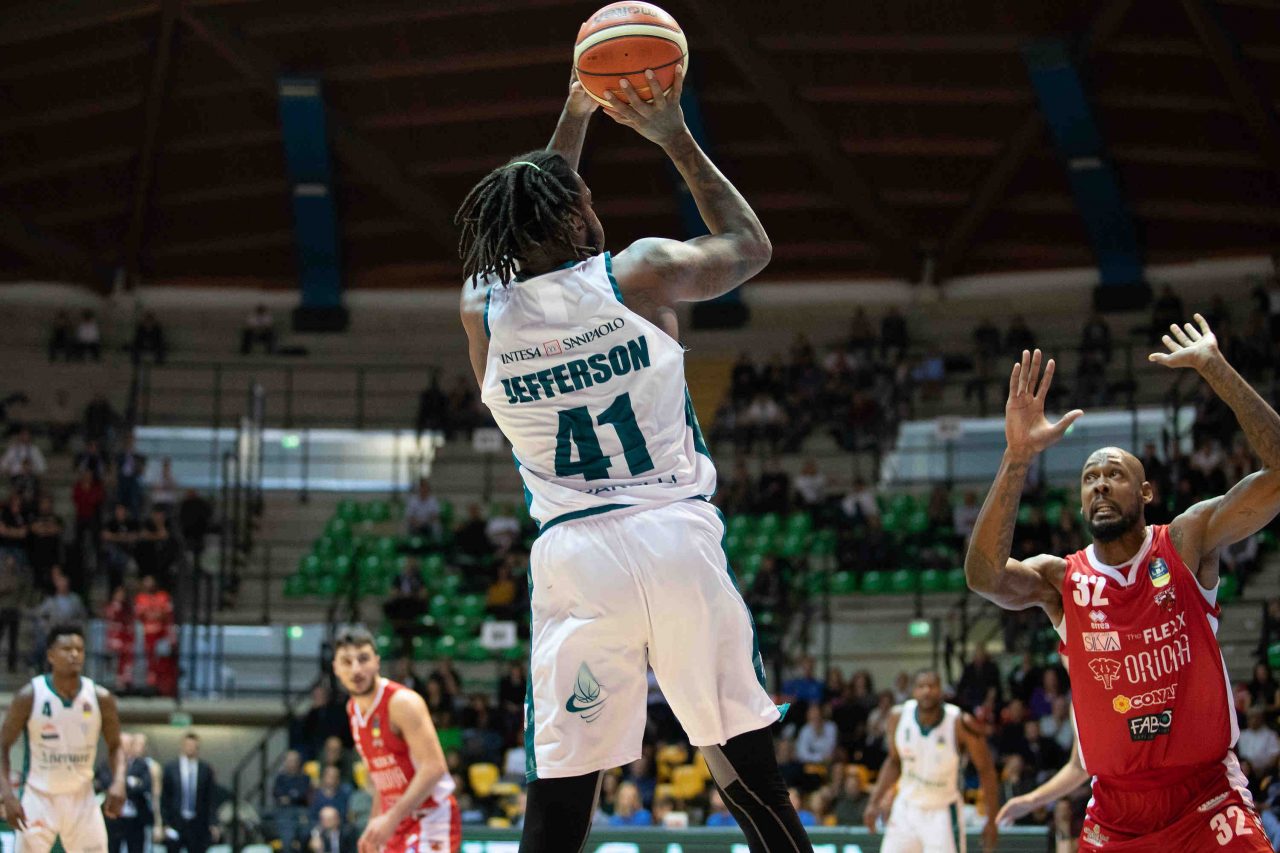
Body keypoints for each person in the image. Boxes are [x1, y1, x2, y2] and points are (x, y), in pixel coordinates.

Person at [456, 67, 810, 853]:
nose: (593, 203)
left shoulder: (481, 309)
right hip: (672, 532)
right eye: (582, 200)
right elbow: (750, 246)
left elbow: (535, 211)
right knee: (742, 764)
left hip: (576, 554)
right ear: (578, 215)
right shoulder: (637, 274)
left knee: (560, 789)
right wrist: (675, 136)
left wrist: (573, 113)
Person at [964, 315, 1280, 851]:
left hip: (1206, 799)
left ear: (1146, 491)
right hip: (1115, 812)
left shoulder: (1185, 540)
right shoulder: (1061, 578)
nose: (1101, 485)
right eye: (1090, 478)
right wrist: (1017, 457)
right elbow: (984, 577)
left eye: (1114, 474)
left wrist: (1215, 368)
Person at [0, 623, 127, 853]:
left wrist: (119, 781)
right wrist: (6, 793)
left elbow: (115, 745)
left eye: (79, 649)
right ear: (50, 656)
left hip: (82, 797)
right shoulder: (30, 695)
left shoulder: (101, 698)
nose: (74, 654)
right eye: (67, 649)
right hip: (39, 796)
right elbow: (2, 746)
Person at [331, 625, 459, 853]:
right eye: (347, 662)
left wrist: (390, 819)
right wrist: (374, 824)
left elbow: (435, 767)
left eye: (363, 659)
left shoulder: (401, 702)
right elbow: (383, 782)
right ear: (336, 668)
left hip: (430, 816)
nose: (356, 669)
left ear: (377, 662)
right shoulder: (353, 711)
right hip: (395, 820)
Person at [864, 670, 1000, 853]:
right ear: (913, 691)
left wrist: (992, 820)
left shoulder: (959, 722)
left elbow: (986, 770)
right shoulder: (898, 717)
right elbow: (894, 762)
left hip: (942, 812)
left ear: (941, 690)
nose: (927, 691)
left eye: (932, 686)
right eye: (921, 686)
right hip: (906, 808)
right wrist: (874, 802)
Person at [161, 733, 217, 853]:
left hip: (197, 822)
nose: (190, 748)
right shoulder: (171, 768)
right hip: (176, 821)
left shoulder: (205, 769)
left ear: (198, 747)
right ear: (182, 746)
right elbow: (165, 797)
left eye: (193, 745)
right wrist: (165, 823)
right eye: (188, 745)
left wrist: (213, 823)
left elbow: (210, 798)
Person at [116, 732, 156, 853]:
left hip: (136, 817)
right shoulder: (111, 762)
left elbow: (145, 786)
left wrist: (124, 785)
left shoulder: (143, 765)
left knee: (137, 847)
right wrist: (130, 782)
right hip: (116, 817)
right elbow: (107, 784)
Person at [274, 750, 312, 852]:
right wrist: (294, 795)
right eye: (289, 760)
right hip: (284, 811)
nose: (292, 763)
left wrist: (290, 797)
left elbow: (302, 794)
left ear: (299, 762)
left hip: (302, 810)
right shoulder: (280, 778)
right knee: (287, 836)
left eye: (294, 760)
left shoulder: (305, 778)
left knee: (305, 832)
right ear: (285, 762)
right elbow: (277, 795)